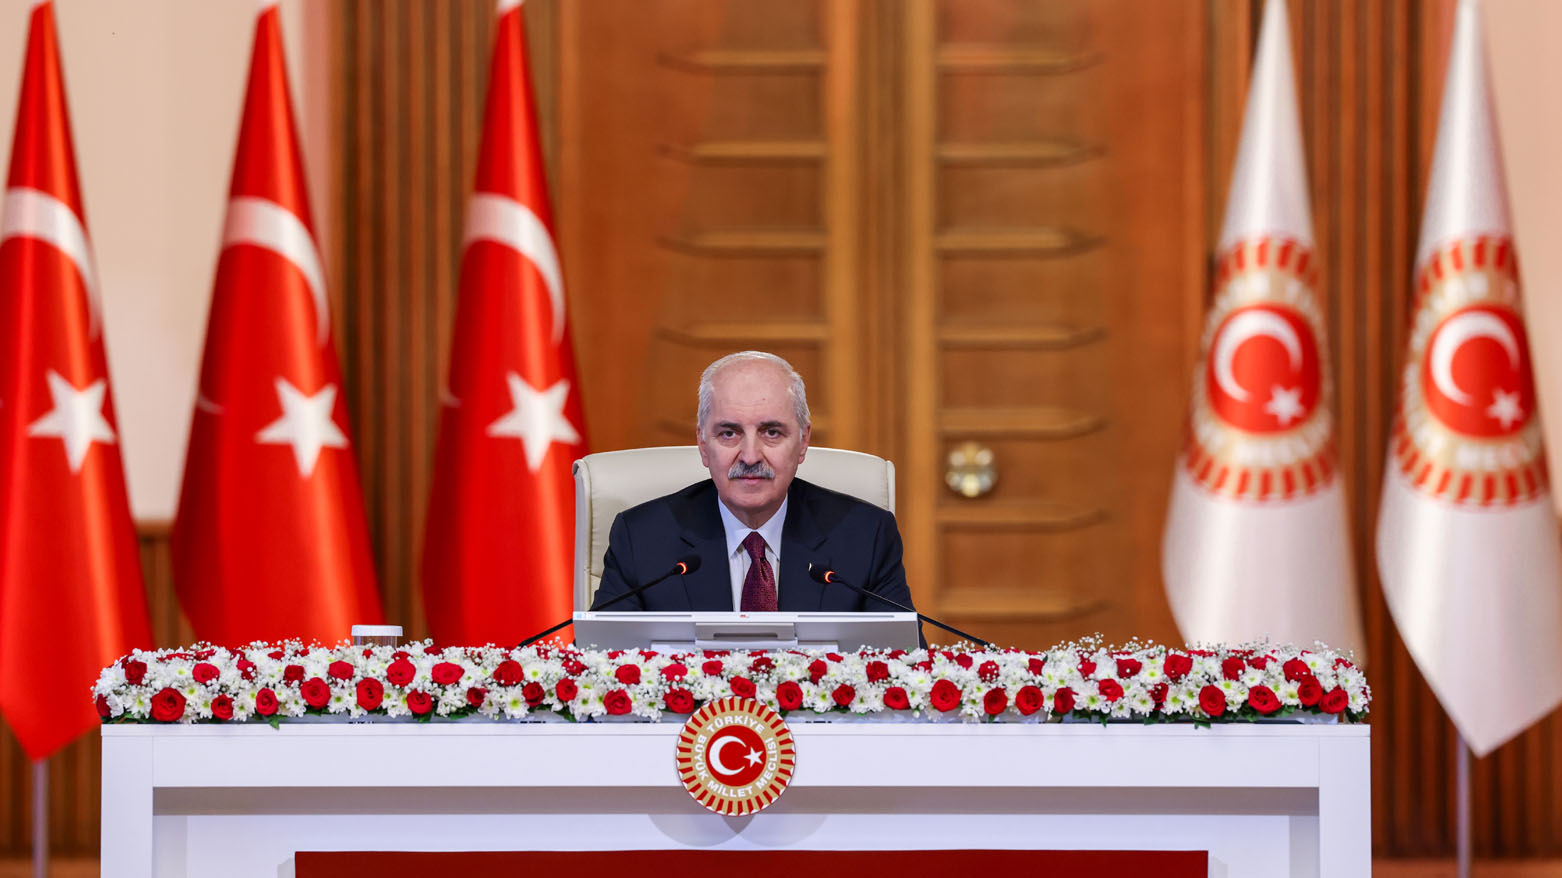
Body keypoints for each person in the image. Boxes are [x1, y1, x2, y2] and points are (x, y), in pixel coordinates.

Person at [590, 351, 915, 619]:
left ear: (803, 442)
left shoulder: (864, 536)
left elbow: (902, 669)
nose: (749, 455)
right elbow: (602, 670)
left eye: (771, 432)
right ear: (703, 444)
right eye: (728, 433)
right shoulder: (642, 538)